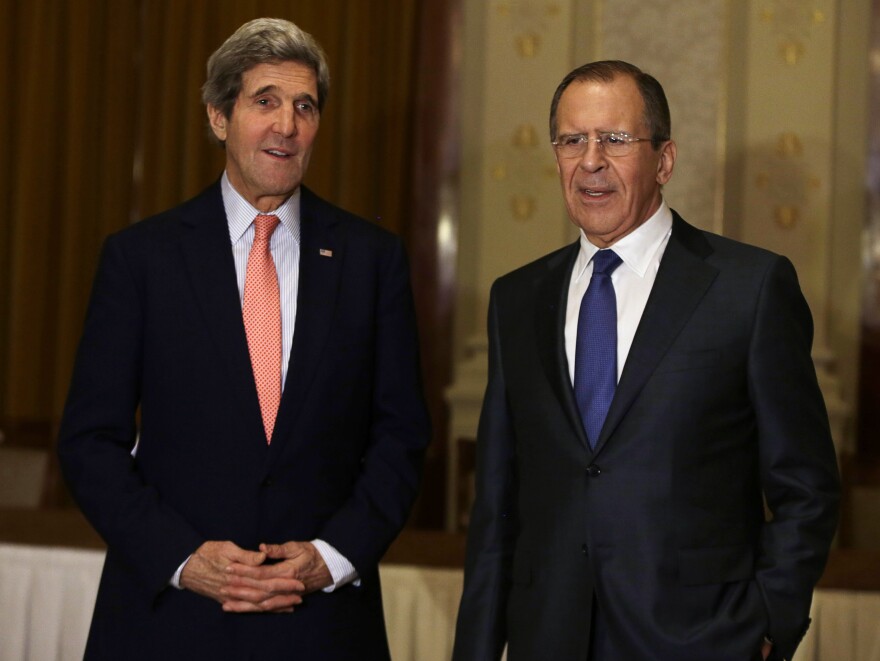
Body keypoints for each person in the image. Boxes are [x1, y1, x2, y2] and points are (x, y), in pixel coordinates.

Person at [57, 17, 430, 660]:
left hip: (321, 623)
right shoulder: (141, 260)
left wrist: (332, 556)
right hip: (169, 621)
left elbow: (400, 437)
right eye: (265, 101)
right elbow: (91, 442)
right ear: (218, 118)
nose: (286, 124)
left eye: (304, 106)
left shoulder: (373, 261)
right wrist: (181, 558)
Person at [452, 60, 840, 661]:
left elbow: (806, 486)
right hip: (547, 638)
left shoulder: (749, 287)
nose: (591, 161)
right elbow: (497, 506)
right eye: (572, 140)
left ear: (664, 160)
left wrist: (766, 626)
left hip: (702, 641)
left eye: (615, 139)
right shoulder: (517, 298)